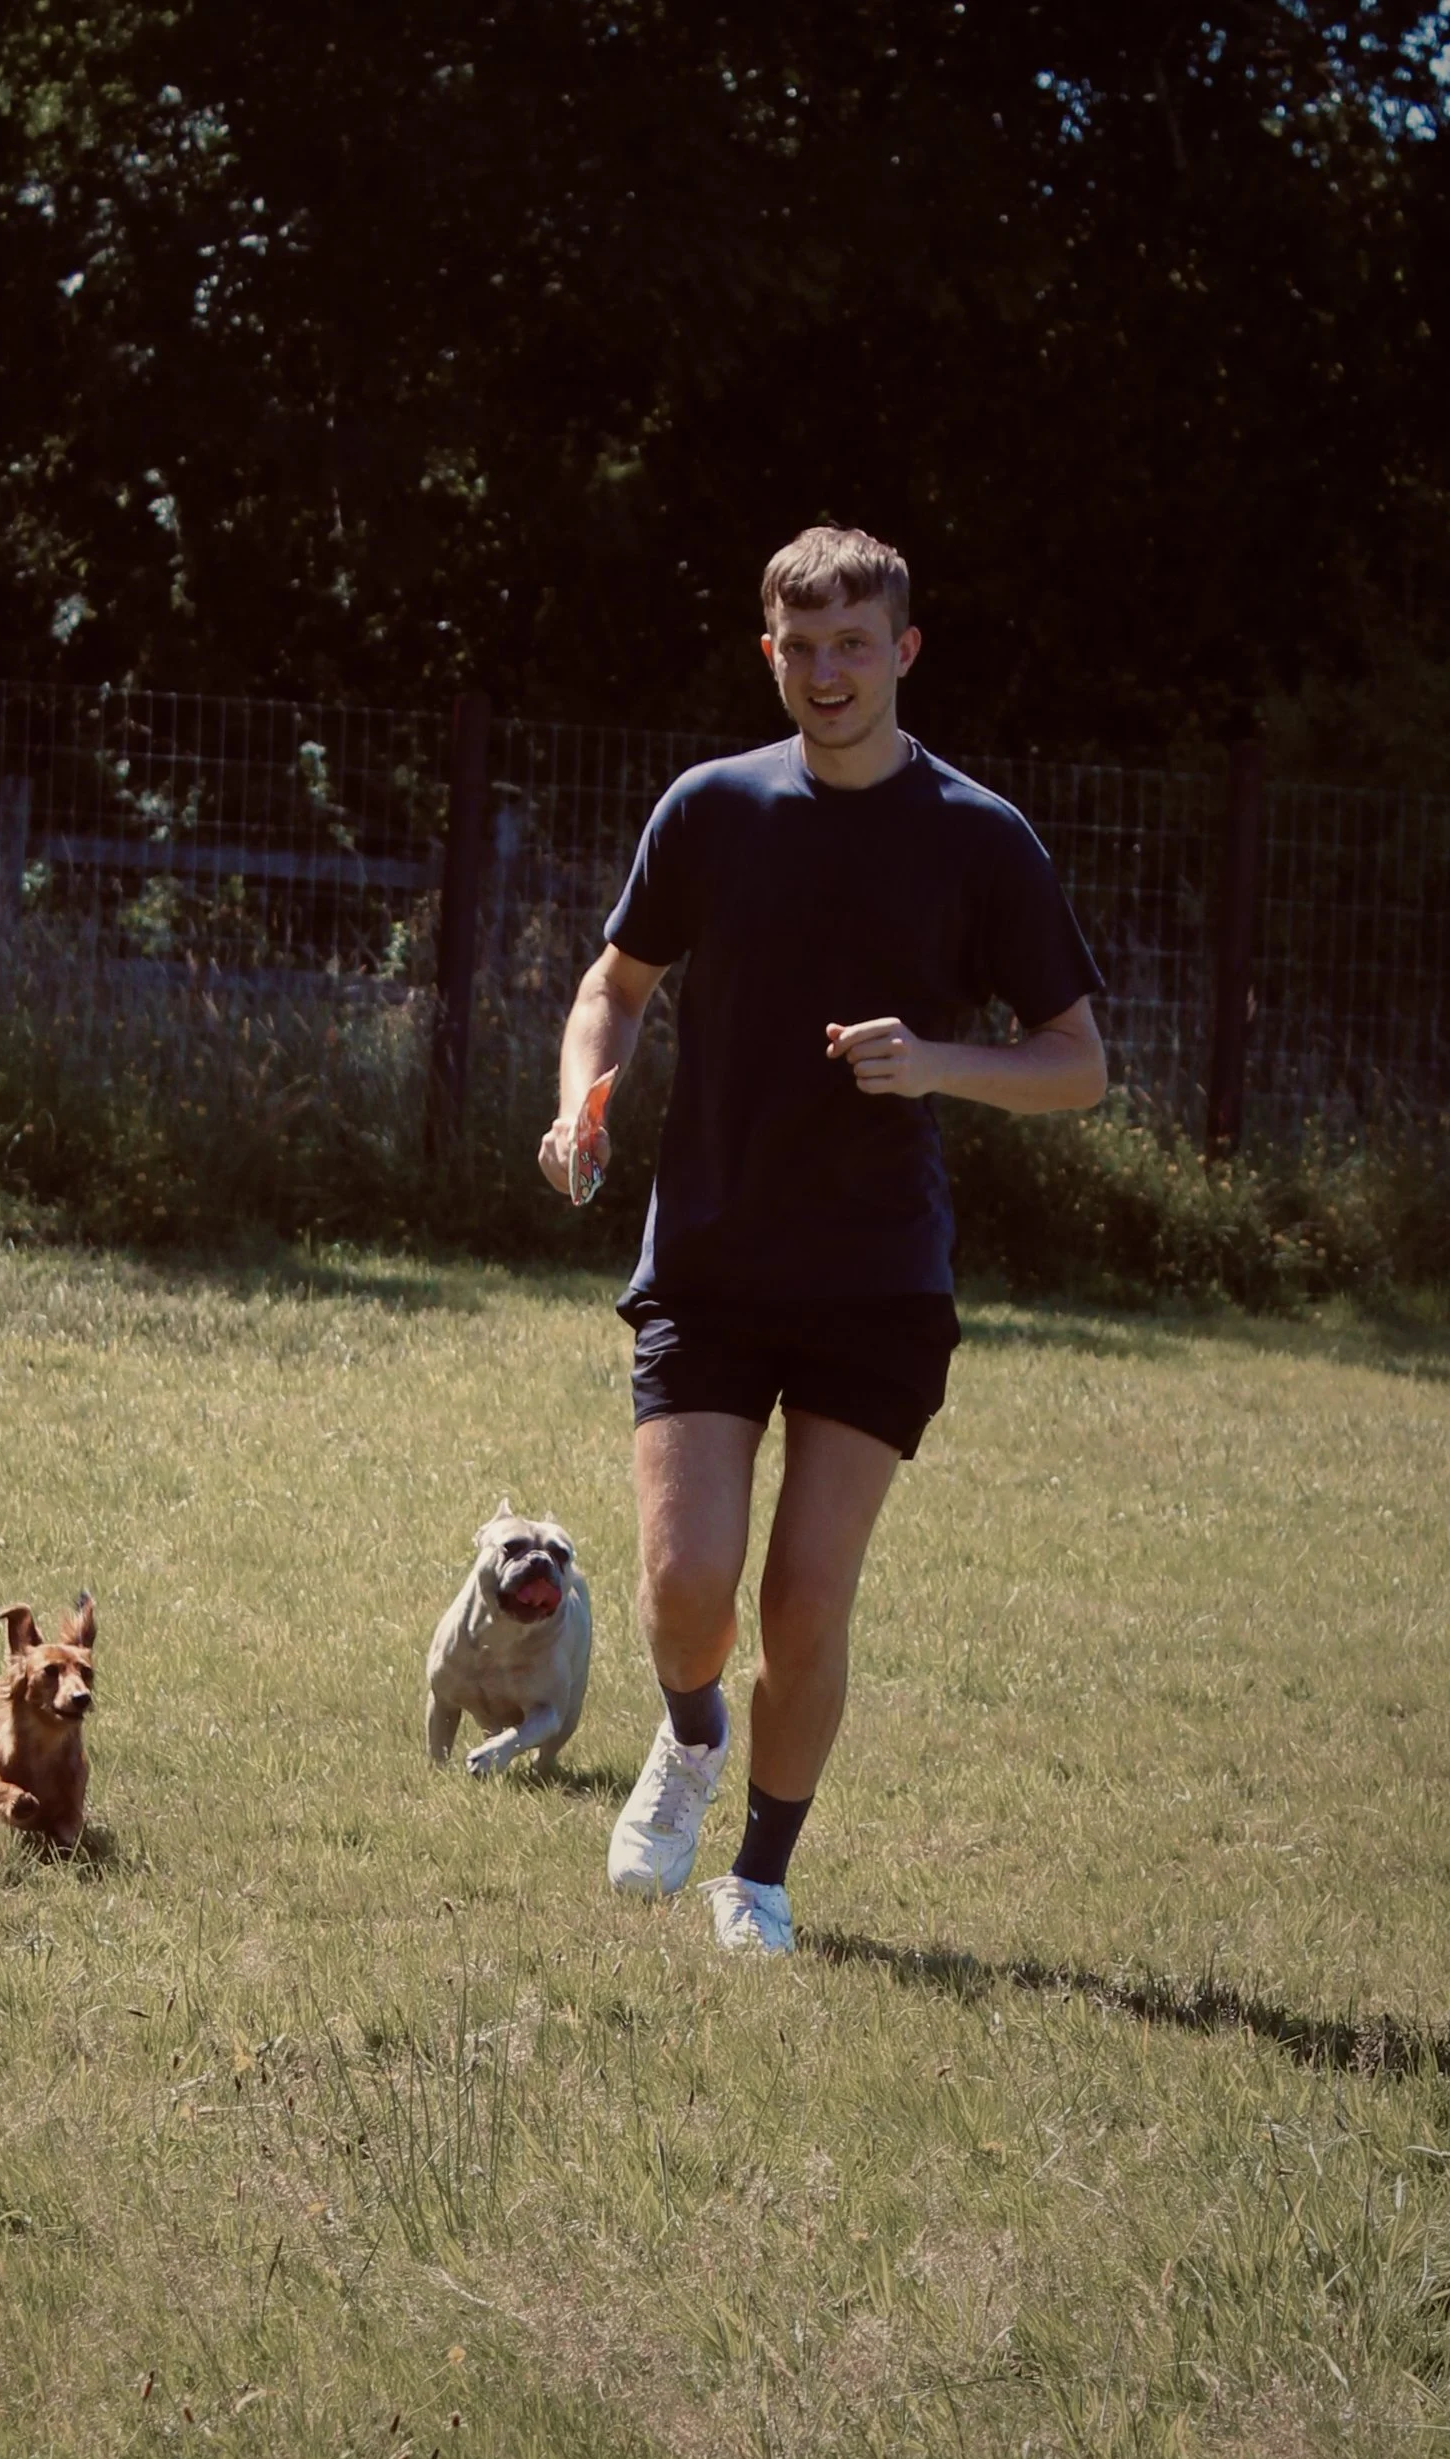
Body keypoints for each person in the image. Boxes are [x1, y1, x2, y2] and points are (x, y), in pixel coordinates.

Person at [538, 523, 1106, 1956]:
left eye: (855, 643)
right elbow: (614, 985)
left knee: (805, 1599)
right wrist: (581, 1100)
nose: (827, 671)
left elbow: (1077, 1064)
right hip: (712, 1256)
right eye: (801, 646)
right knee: (684, 1594)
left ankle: (763, 1880)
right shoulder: (713, 809)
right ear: (769, 654)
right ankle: (686, 1738)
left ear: (904, 651)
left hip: (878, 1278)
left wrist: (936, 1062)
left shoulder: (980, 837)